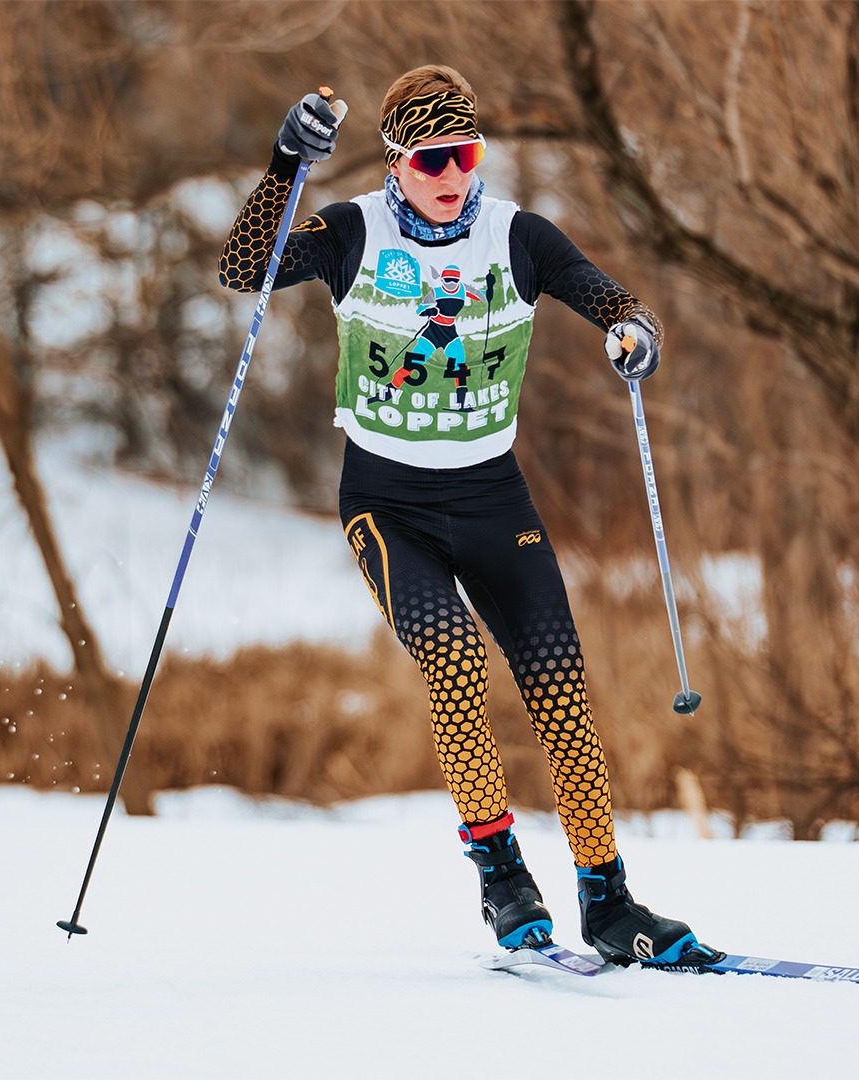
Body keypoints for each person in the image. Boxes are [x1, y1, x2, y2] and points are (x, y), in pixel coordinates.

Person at [218, 66, 716, 968]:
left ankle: (608, 901)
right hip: (386, 505)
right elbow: (240, 268)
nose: (454, 176)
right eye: (434, 158)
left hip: (493, 500)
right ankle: (502, 876)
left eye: (468, 154)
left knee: (559, 689)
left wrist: (632, 333)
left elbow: (608, 297)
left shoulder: (514, 235)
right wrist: (284, 161)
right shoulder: (349, 232)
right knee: (449, 654)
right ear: (399, 163)